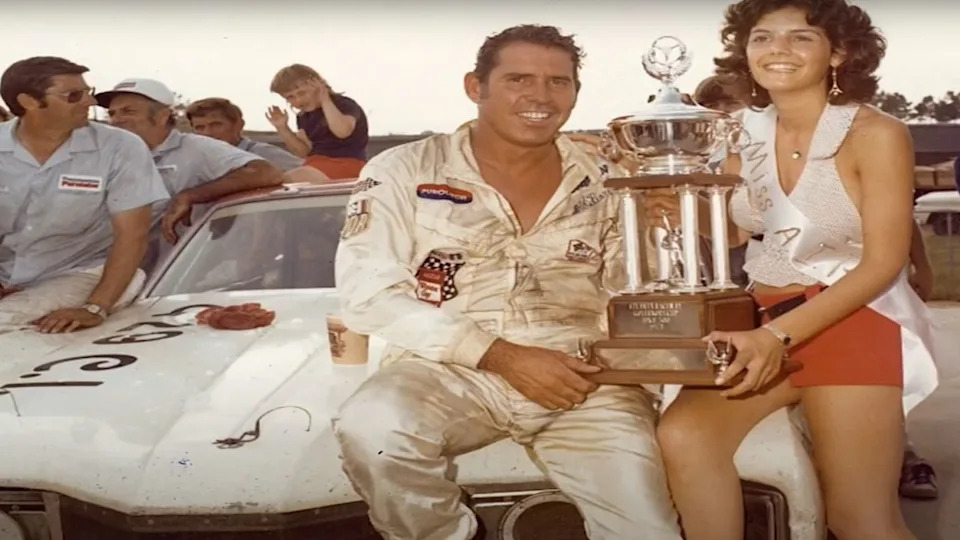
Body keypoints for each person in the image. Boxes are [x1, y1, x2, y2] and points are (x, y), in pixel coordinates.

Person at [332, 24, 681, 540]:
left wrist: (656, 226)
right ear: (476, 87)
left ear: (575, 93)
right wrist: (501, 355)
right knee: (373, 429)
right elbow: (367, 295)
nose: (540, 96)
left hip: (581, 378)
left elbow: (637, 295)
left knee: (648, 530)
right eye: (519, 78)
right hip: (448, 371)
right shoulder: (403, 169)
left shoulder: (608, 176)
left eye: (558, 82)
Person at [646, 2, 939, 540]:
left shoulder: (876, 133)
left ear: (839, 53)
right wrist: (676, 211)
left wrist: (774, 336)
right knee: (684, 434)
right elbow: (738, 231)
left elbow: (883, 261)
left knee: (857, 519)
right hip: (762, 320)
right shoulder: (740, 132)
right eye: (762, 37)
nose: (777, 50)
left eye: (800, 38)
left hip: (851, 320)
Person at [0, 57, 168, 333]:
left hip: (83, 274)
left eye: (88, 93)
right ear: (29, 101)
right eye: (74, 96)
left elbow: (132, 236)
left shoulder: (120, 147)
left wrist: (95, 307)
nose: (89, 103)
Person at [95, 78, 284, 271]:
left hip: (164, 276)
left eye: (129, 111)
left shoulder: (195, 147)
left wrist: (190, 196)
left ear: (162, 116)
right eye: (112, 113)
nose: (117, 120)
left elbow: (265, 172)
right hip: (97, 265)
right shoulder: (105, 155)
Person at [266, 64, 368, 180]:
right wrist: (283, 128)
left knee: (285, 180)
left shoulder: (343, 104)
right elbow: (304, 152)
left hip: (347, 164)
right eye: (290, 97)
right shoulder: (303, 116)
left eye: (302, 93)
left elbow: (342, 131)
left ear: (318, 85)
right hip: (317, 165)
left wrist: (325, 100)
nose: (298, 100)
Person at [185, 97, 303, 171]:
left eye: (216, 125)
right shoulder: (193, 163)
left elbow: (313, 177)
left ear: (238, 125)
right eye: (200, 128)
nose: (208, 133)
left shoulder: (263, 153)